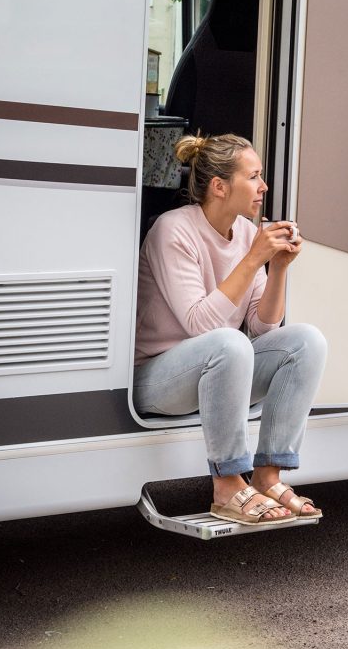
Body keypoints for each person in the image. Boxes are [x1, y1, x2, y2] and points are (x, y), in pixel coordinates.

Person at [133, 133, 328, 525]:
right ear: (220, 187)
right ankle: (226, 484)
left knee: (306, 341)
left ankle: (267, 474)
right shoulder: (173, 230)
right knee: (228, 342)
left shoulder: (243, 233)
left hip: (218, 368)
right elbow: (200, 324)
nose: (264, 186)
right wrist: (255, 257)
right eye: (254, 177)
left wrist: (277, 269)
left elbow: (263, 324)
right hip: (156, 377)